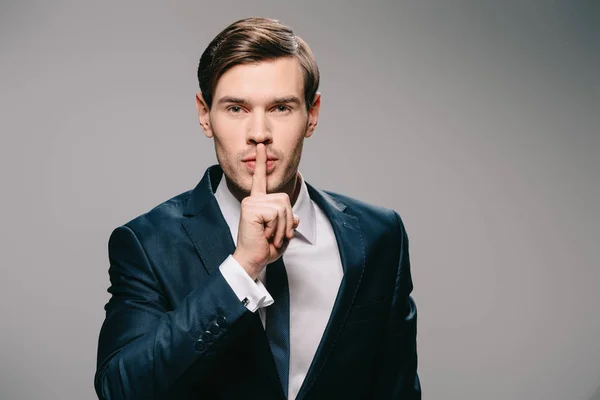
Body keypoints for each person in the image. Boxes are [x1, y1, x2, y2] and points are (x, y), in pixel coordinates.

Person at [94, 17, 421, 400]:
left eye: (281, 108)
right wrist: (241, 269)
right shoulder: (147, 243)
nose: (259, 132)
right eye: (236, 109)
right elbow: (120, 389)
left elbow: (397, 389)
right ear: (205, 114)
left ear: (311, 115)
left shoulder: (379, 235)